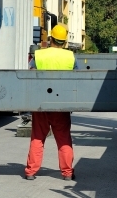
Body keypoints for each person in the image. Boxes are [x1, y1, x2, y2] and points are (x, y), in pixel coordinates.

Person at [24, 24, 77, 181]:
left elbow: (30, 75)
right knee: (64, 139)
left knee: (37, 137)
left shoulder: (39, 55)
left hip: (41, 104)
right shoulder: (70, 57)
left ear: (51, 39)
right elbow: (78, 79)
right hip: (61, 105)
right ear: (64, 41)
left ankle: (31, 171)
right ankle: (67, 173)